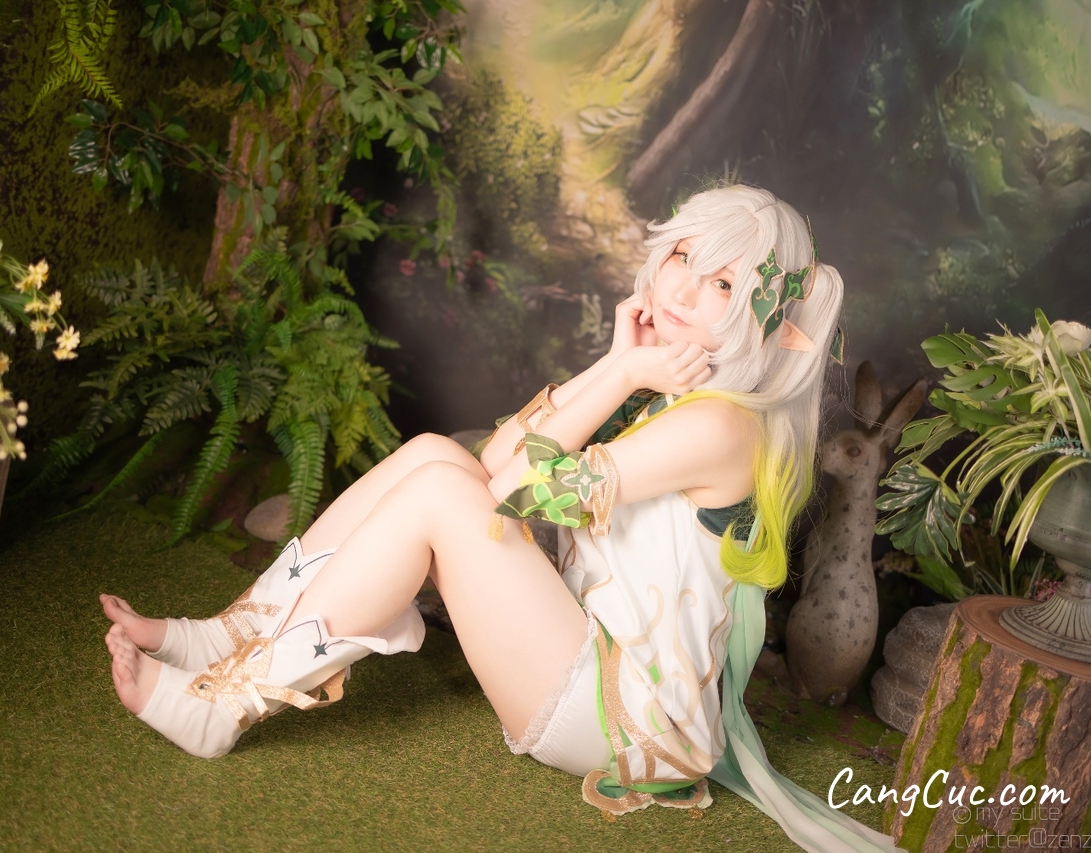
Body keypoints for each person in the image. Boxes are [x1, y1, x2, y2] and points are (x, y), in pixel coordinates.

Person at [101, 183, 903, 852]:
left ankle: (226, 705)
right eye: (682, 257)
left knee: (441, 493)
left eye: (724, 284)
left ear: (767, 319)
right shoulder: (678, 391)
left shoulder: (721, 425)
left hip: (631, 725)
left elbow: (510, 490)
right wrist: (617, 365)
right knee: (434, 456)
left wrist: (623, 372)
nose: (683, 289)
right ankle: (227, 637)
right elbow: (492, 462)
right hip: (592, 655)